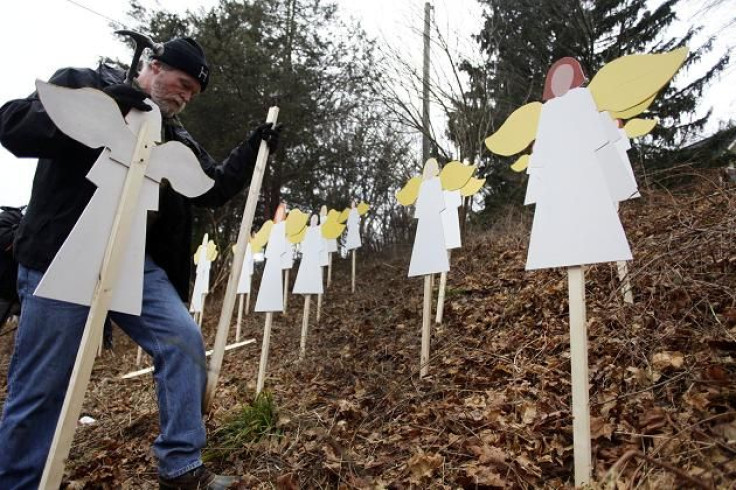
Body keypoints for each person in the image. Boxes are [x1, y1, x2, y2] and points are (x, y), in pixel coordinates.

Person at [0, 36, 280, 489]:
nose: (185, 97)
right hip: (60, 255)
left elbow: (208, 187)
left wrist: (251, 150)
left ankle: (180, 463)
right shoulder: (86, 84)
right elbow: (12, 126)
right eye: (183, 83)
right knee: (41, 387)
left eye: (193, 93)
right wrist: (109, 104)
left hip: (134, 263)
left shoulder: (172, 132)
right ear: (153, 64)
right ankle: (18, 481)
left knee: (183, 341)